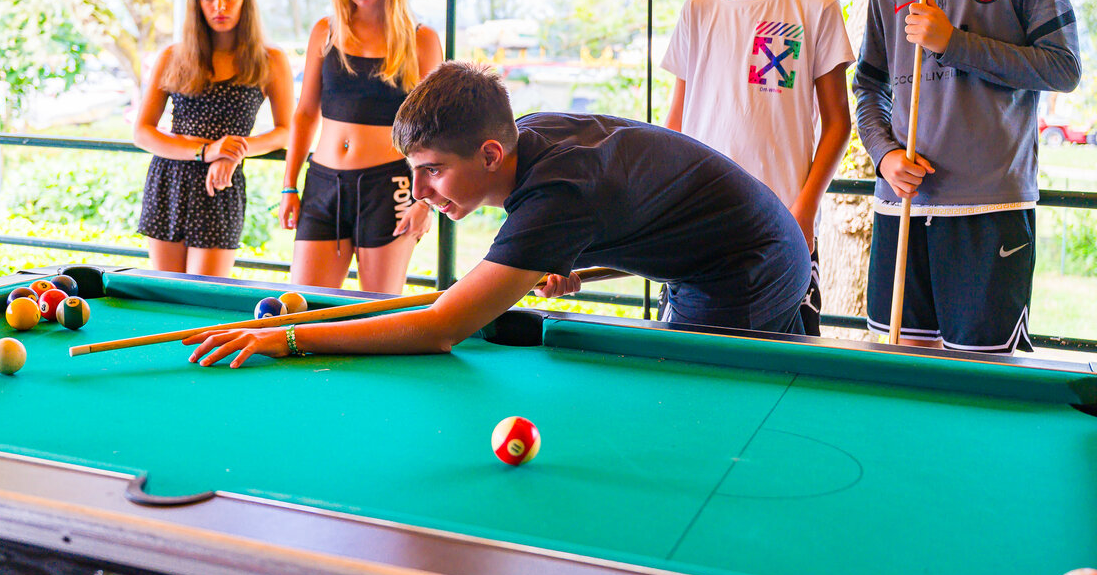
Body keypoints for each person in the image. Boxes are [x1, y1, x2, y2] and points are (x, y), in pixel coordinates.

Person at [187, 62, 811, 368]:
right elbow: (648, 201)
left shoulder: (558, 195)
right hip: (731, 242)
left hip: (751, 266)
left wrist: (290, 337)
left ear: (489, 153)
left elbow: (439, 326)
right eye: (413, 171)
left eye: (432, 169)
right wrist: (570, 257)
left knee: (698, 405)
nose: (420, 192)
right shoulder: (524, 139)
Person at [853, 0, 1081, 352]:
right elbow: (868, 91)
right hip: (900, 207)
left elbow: (1063, 68)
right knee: (900, 374)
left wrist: (953, 44)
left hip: (990, 208)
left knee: (981, 377)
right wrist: (885, 156)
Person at [661, 0, 853, 335]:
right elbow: (675, 123)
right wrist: (659, 206)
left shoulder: (816, 6)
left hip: (782, 221)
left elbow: (838, 125)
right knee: (693, 363)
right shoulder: (698, 9)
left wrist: (804, 212)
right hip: (698, 217)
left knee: (788, 367)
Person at [280, 0, 442, 293]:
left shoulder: (421, 40)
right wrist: (289, 186)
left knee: (373, 317)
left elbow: (438, 133)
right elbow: (305, 113)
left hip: (391, 187)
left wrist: (426, 202)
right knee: (301, 308)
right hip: (323, 183)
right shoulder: (326, 30)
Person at [134, 0, 294, 277]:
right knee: (168, 297)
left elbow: (287, 131)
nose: (219, 7)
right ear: (197, 2)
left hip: (219, 186)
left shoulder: (270, 59)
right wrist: (207, 151)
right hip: (169, 181)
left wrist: (233, 151)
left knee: (202, 300)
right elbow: (142, 131)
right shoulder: (174, 56)